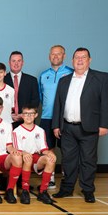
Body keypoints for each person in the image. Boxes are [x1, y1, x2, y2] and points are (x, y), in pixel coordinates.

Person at [52, 47, 108, 203]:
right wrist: (56, 126)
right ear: (72, 61)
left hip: (89, 127)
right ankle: (67, 189)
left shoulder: (101, 78)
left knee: (88, 160)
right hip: (67, 127)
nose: (79, 60)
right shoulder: (64, 80)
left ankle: (87, 190)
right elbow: (58, 104)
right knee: (68, 160)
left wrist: (104, 125)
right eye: (77, 57)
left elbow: (107, 103)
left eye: (83, 57)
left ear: (89, 60)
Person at [38, 45, 73, 189]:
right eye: (53, 54)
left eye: (59, 54)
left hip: (65, 118)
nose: (56, 56)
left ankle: (66, 178)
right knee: (49, 149)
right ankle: (50, 178)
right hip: (47, 117)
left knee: (66, 149)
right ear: (49, 56)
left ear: (64, 56)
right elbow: (41, 97)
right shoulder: (43, 75)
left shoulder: (72, 73)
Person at [13, 105, 56, 204]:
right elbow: (15, 149)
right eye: (26, 114)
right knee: (28, 159)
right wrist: (24, 153)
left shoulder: (40, 131)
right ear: (22, 116)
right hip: (22, 158)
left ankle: (43, 191)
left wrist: (50, 153)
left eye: (31, 114)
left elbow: (43, 149)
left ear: (36, 115)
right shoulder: (17, 131)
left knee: (51, 159)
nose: (28, 116)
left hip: (36, 158)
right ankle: (25, 190)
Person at [4, 51, 40, 129]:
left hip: (27, 122)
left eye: (19, 61)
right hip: (7, 122)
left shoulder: (32, 80)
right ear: (9, 63)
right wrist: (8, 115)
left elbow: (35, 101)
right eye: (13, 61)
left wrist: (24, 114)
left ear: (22, 63)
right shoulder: (2, 80)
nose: (16, 63)